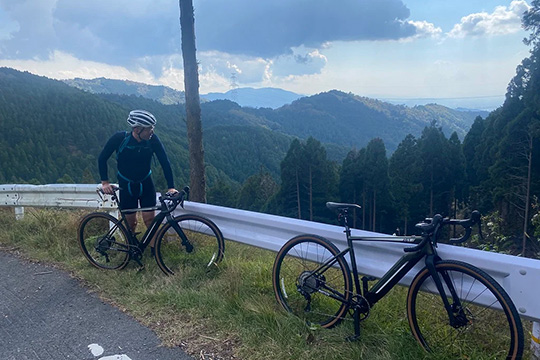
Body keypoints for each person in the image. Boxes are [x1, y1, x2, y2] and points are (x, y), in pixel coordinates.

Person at [98, 109, 177, 237]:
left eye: (152, 127)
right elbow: (102, 158)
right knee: (131, 224)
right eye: (148, 128)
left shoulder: (153, 140)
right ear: (137, 130)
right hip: (126, 185)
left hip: (146, 184)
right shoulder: (119, 139)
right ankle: (130, 252)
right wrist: (105, 182)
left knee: (150, 221)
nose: (152, 131)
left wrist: (171, 187)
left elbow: (165, 162)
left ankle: (153, 253)